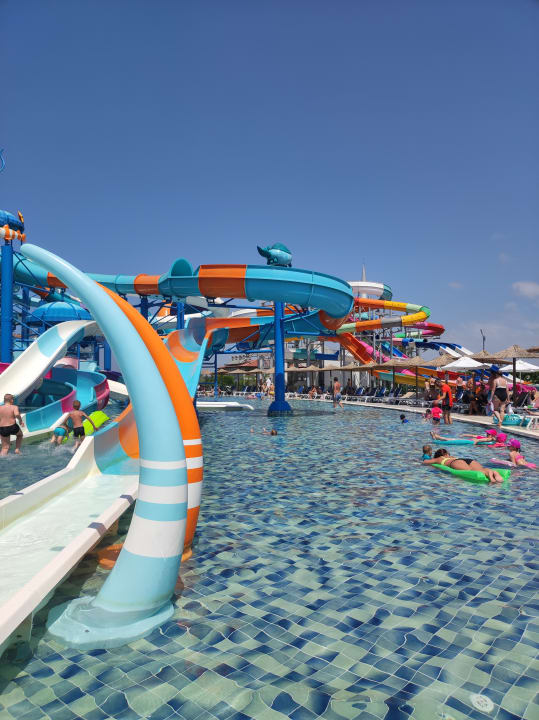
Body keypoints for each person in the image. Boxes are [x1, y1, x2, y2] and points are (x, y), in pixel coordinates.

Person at [423, 448, 504, 484]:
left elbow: (425, 462)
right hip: (467, 460)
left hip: (455, 462)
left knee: (471, 471)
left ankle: (490, 476)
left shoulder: (439, 458)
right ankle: (493, 472)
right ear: (447, 454)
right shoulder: (452, 456)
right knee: (481, 469)